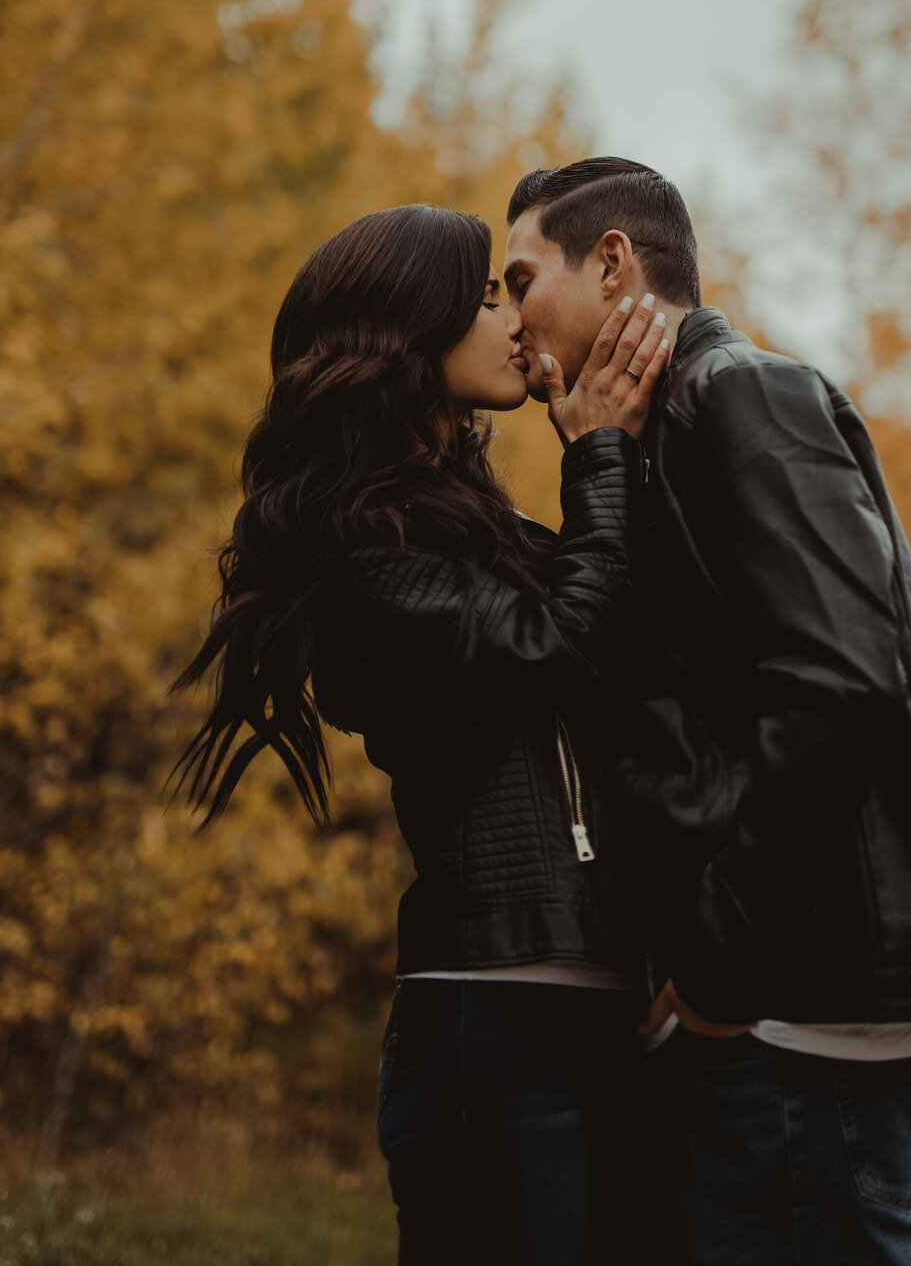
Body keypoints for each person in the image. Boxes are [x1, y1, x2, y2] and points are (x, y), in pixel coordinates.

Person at [503, 157, 911, 1266]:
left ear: (612, 263)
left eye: (520, 277)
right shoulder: (660, 430)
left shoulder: (739, 394)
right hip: (775, 995)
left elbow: (840, 682)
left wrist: (715, 972)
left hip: (802, 1004)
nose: (509, 317)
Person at [170, 202, 672, 1266]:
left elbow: (621, 657)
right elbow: (560, 644)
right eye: (487, 295)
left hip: (610, 1001)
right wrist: (597, 459)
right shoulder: (358, 547)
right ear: (410, 328)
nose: (512, 319)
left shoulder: (473, 523)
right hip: (489, 1026)